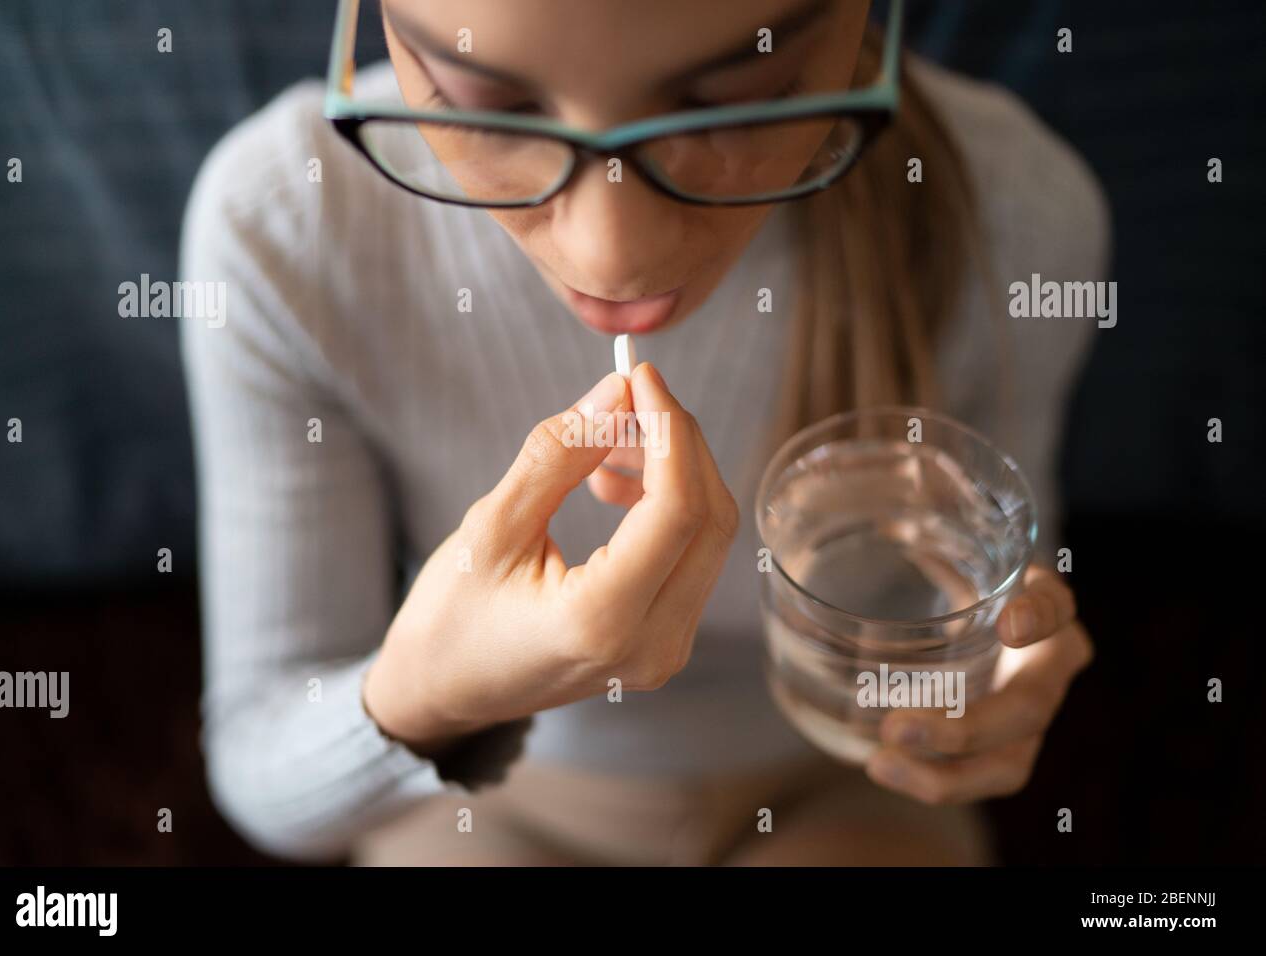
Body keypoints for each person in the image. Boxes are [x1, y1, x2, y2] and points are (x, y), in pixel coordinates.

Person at [180, 0, 1103, 865]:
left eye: (737, 104)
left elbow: (998, 585)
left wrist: (984, 692)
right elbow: (267, 776)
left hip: (848, 783)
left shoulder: (1014, 210)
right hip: (482, 806)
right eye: (488, 105)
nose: (611, 256)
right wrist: (428, 696)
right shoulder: (285, 228)